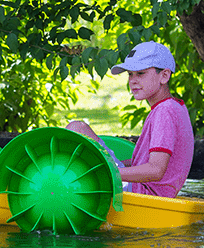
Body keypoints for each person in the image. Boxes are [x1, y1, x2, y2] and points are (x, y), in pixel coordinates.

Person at [66, 41, 194, 198]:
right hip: (145, 189)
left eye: (140, 73)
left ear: (164, 76)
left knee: (76, 128)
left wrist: (110, 171)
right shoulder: (175, 106)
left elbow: (156, 170)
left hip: (143, 194)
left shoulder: (164, 111)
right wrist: (122, 163)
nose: (132, 80)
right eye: (130, 74)